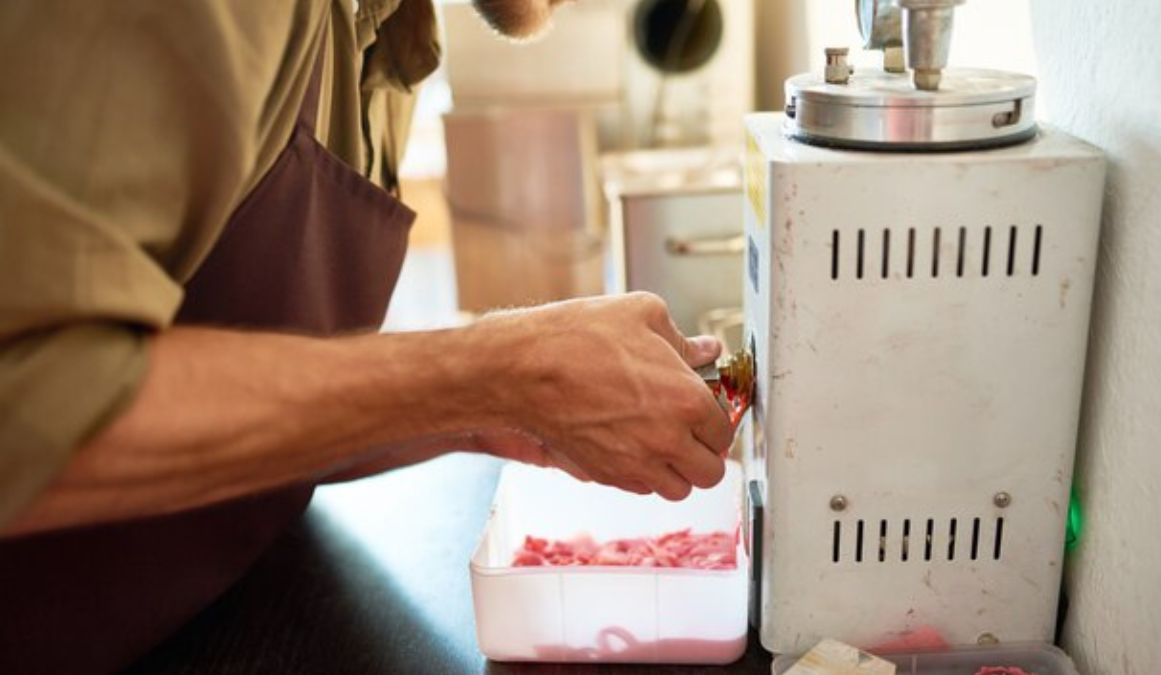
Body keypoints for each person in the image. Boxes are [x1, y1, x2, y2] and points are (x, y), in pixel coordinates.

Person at [0, 0, 733, 671]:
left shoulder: (386, 35)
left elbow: (256, 372)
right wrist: (493, 370)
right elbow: (26, 394)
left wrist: (487, 408)